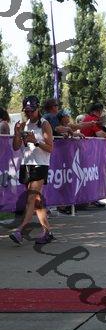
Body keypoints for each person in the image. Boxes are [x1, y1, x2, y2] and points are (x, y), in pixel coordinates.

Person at [9, 95, 55, 245]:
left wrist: (35, 141)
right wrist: (17, 133)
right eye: (26, 111)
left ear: (37, 109)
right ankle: (47, 232)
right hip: (26, 164)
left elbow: (50, 148)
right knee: (37, 201)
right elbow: (16, 147)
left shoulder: (44, 124)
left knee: (30, 198)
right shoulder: (24, 124)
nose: (29, 113)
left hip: (40, 165)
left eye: (31, 110)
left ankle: (20, 230)